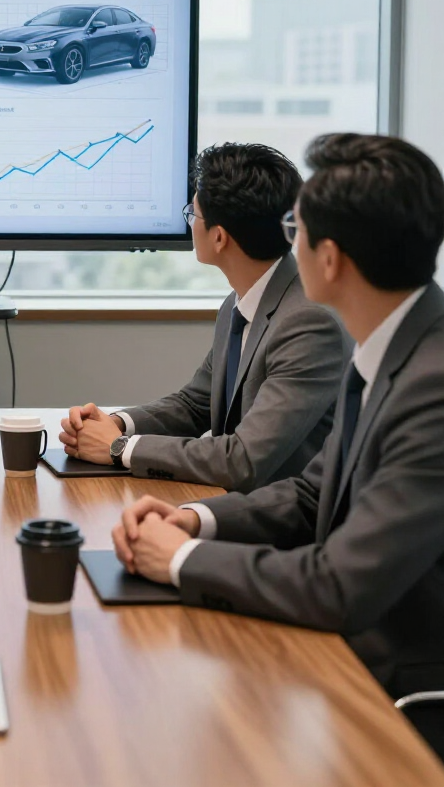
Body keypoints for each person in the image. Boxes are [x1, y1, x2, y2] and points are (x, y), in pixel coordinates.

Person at [112, 134, 444, 750]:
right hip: (336, 643)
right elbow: (311, 492)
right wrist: (194, 520)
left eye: (297, 227)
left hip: (388, 686)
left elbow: (338, 587)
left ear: (332, 259)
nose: (286, 242)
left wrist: (179, 560)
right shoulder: (393, 346)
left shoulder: (433, 390)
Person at [60, 142, 346, 491]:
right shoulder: (241, 302)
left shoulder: (309, 323)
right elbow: (195, 404)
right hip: (233, 505)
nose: (190, 222)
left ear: (220, 237)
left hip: (285, 526)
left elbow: (243, 459)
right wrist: (117, 424)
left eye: (192, 215)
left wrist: (119, 449)